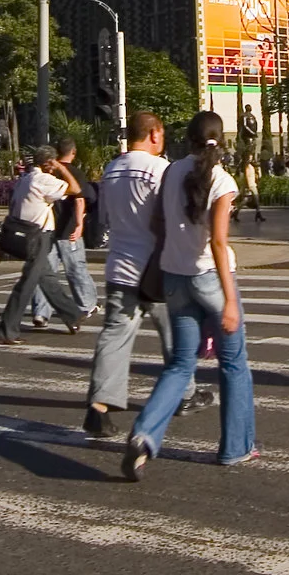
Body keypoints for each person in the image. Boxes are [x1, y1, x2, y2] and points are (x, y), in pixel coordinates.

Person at [123, 111, 256, 479]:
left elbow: (159, 223)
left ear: (189, 138)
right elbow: (217, 242)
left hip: (174, 278)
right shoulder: (223, 180)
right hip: (211, 278)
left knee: (181, 365)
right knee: (233, 364)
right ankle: (235, 448)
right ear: (220, 138)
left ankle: (145, 434)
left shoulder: (170, 171)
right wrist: (230, 301)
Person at [83, 112, 206, 436]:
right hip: (157, 267)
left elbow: (107, 218)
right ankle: (185, 393)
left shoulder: (112, 169)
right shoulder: (160, 169)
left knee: (114, 336)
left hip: (120, 266)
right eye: (161, 135)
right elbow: (172, 216)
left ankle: (99, 405)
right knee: (176, 333)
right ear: (154, 134)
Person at [0, 146, 88, 345]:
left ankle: (72, 314)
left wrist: (1, 245)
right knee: (27, 284)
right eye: (53, 165)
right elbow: (75, 189)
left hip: (25, 234)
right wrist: (62, 169)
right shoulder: (43, 180)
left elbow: (13, 210)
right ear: (48, 164)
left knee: (46, 278)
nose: (54, 169)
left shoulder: (25, 179)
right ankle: (6, 330)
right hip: (38, 236)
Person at [50, 138, 100, 317]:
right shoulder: (75, 173)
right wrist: (80, 224)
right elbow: (81, 200)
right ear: (73, 152)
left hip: (49, 228)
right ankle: (86, 304)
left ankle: (41, 311)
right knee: (76, 269)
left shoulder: (48, 173)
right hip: (69, 228)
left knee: (47, 272)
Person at [232, 105, 266, 223]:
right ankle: (258, 213)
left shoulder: (252, 116)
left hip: (249, 178)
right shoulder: (245, 117)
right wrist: (252, 132)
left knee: (246, 198)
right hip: (249, 180)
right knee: (255, 195)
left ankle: (236, 212)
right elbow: (245, 126)